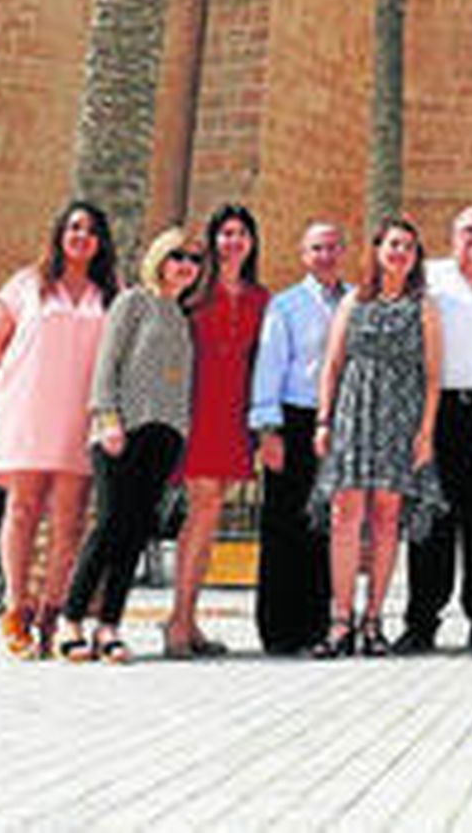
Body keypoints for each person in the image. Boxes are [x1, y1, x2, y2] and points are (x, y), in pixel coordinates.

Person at [56, 228, 201, 664]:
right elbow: (108, 363)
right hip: (123, 428)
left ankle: (109, 626)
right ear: (159, 258)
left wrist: (181, 430)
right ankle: (71, 619)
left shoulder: (181, 316)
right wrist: (107, 418)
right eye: (178, 256)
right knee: (109, 526)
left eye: (194, 260)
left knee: (136, 532)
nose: (187, 266)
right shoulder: (133, 302)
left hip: (164, 434)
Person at [0, 201, 117, 659]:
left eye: (91, 230)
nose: (82, 236)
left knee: (69, 518)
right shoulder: (26, 284)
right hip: (29, 409)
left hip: (81, 414)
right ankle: (15, 607)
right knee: (22, 508)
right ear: (60, 233)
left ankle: (52, 610)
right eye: (74, 227)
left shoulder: (110, 292)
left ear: (101, 242)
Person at [311, 217, 445, 659]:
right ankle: (340, 619)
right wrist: (324, 421)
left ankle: (373, 619)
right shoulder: (354, 300)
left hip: (400, 418)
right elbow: (332, 365)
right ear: (378, 250)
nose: (400, 252)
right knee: (344, 513)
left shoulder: (423, 306)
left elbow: (433, 376)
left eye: (408, 246)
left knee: (387, 518)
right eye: (393, 244)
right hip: (354, 413)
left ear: (416, 257)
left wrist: (425, 432)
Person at [395, 206, 472, 655]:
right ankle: (421, 623)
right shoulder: (430, 279)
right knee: (430, 521)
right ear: (452, 236)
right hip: (437, 411)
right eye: (467, 231)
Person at [165, 204, 269, 659]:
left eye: (241, 233)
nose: (233, 241)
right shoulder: (193, 292)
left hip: (235, 413)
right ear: (213, 240)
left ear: (252, 243)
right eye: (226, 233)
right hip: (197, 409)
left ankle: (188, 619)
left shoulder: (260, 298)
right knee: (202, 510)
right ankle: (178, 621)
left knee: (210, 517)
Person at [248, 221, 348, 656]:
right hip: (294, 418)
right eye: (316, 248)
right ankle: (279, 628)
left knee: (326, 524)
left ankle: (317, 624)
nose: (325, 255)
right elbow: (269, 366)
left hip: (341, 421)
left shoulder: (355, 301)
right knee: (284, 522)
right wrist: (268, 430)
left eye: (332, 247)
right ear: (304, 255)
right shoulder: (285, 305)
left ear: (343, 252)